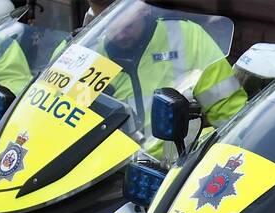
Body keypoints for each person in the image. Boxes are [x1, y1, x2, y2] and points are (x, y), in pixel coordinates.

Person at [82, 0, 246, 128]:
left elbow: (229, 113)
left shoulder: (187, 36)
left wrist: (206, 150)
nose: (120, 35)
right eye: (110, 27)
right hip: (110, 167)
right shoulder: (81, 54)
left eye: (128, 26)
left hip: (180, 164)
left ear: (143, 8)